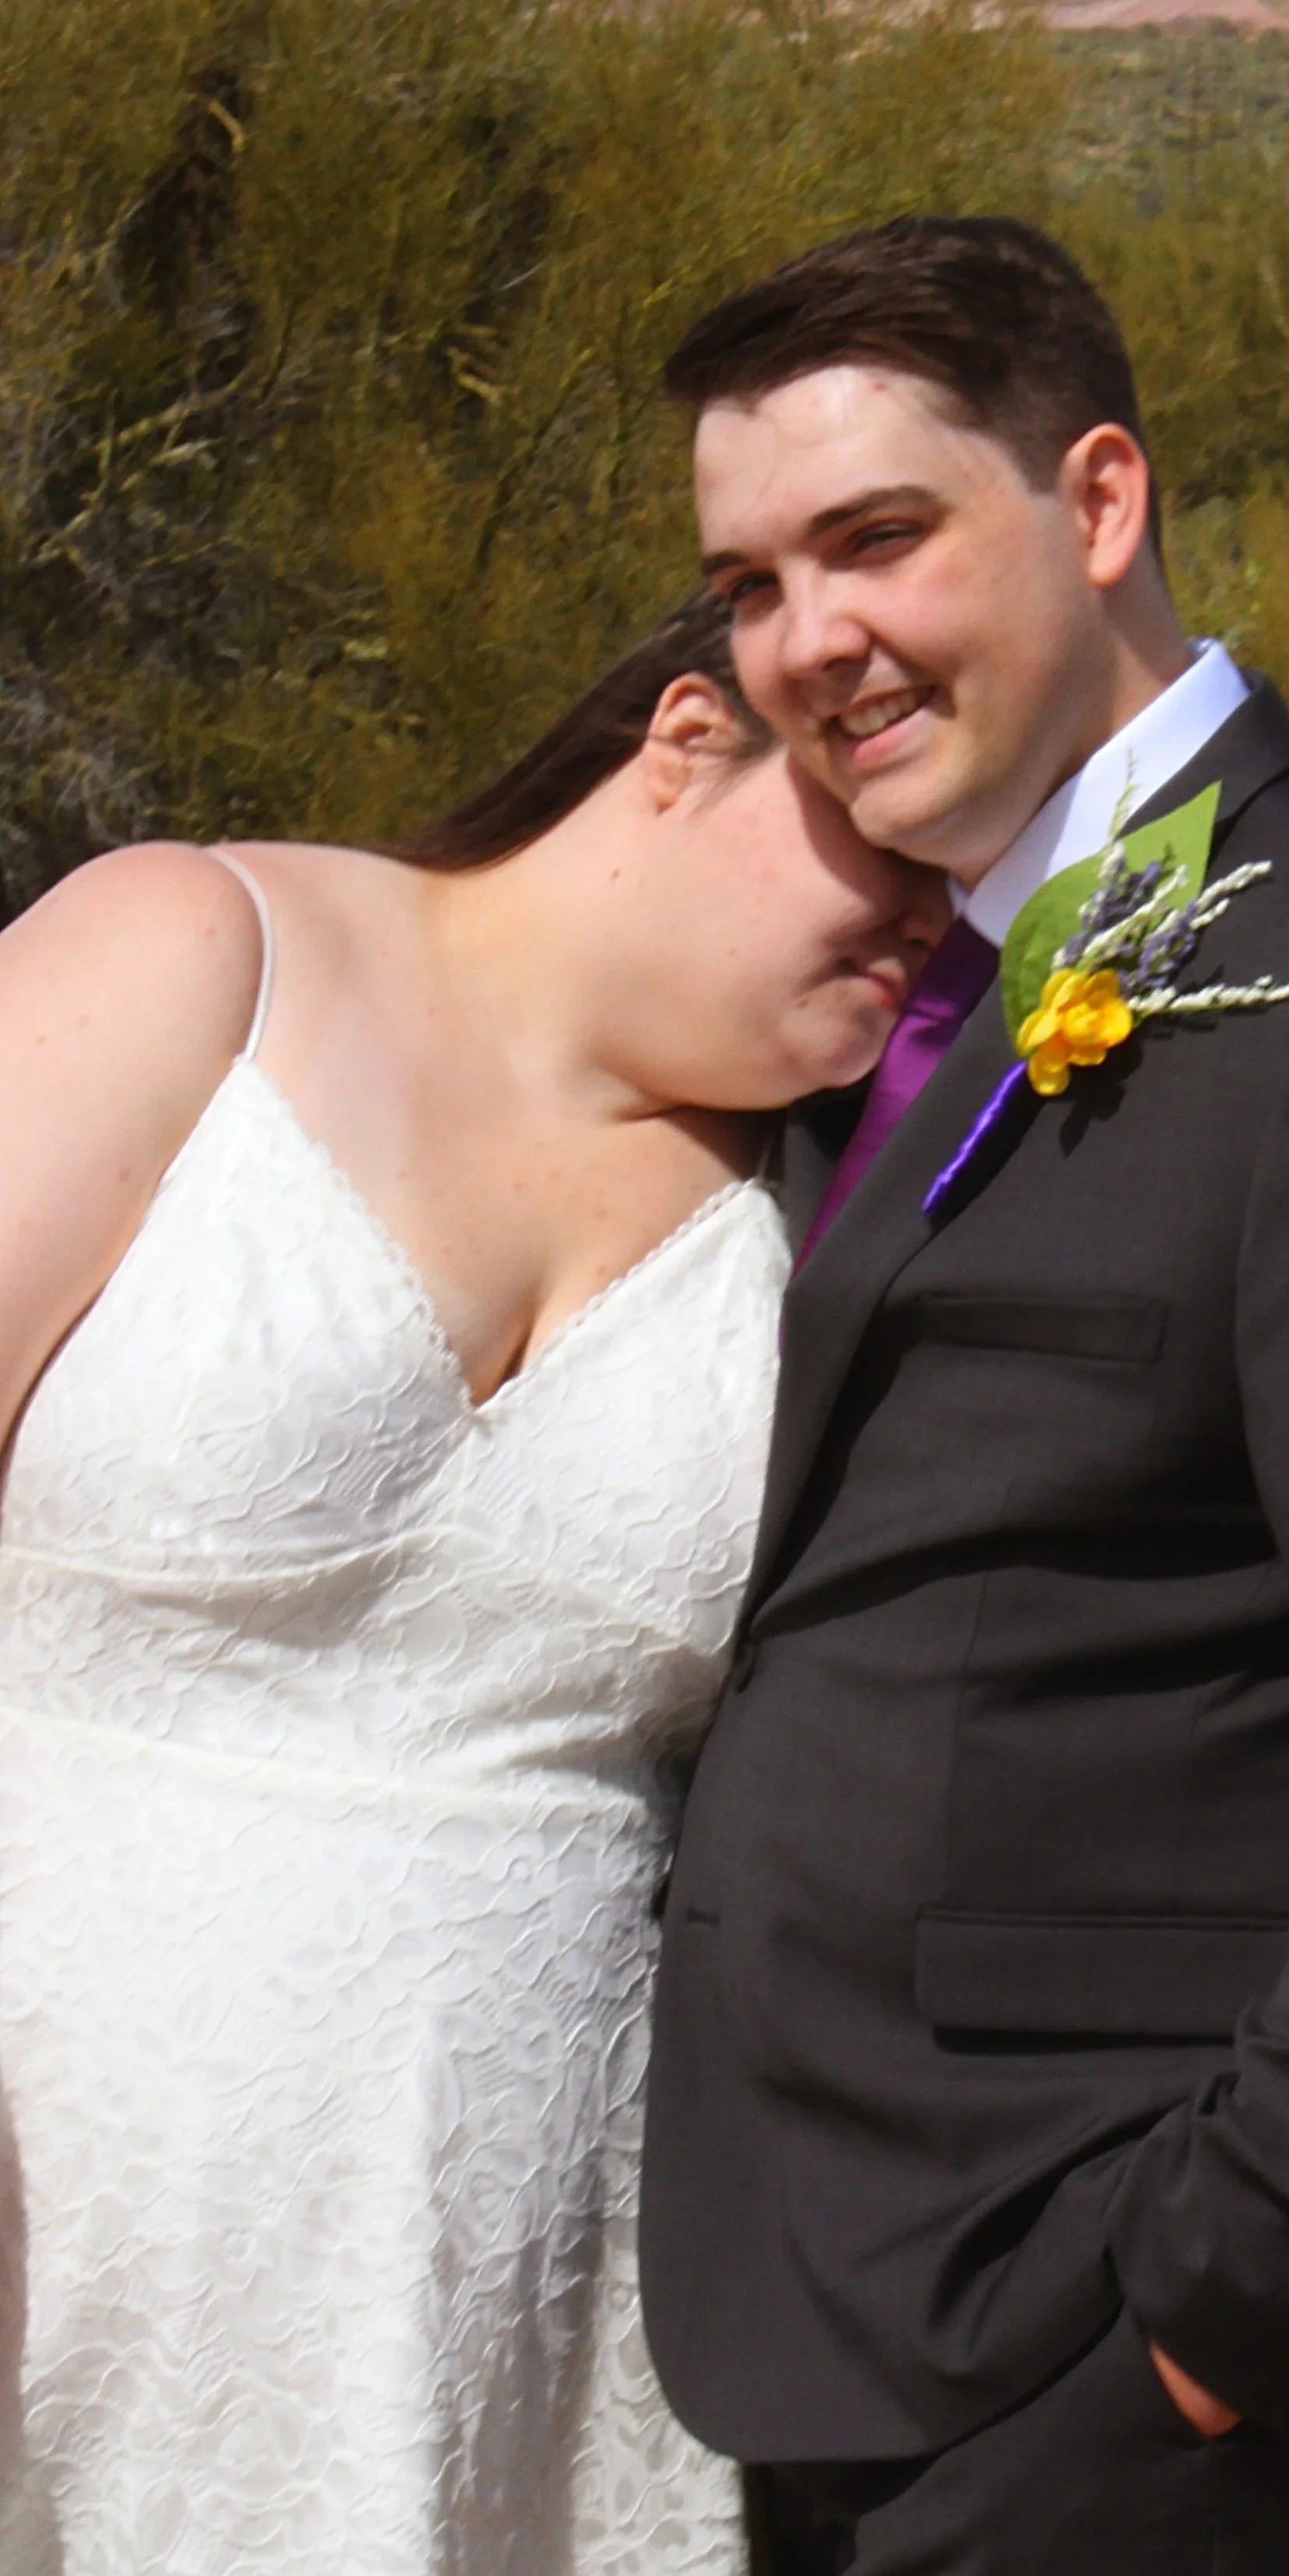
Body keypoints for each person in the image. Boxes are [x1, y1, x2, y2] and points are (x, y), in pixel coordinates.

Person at [639, 217, 1289, 2576]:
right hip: (855, 2305)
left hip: (1143, 2371)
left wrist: (1232, 2307)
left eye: (876, 538)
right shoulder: (938, 980)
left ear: (1095, 503)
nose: (812, 639)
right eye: (750, 581)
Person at [0, 590, 942, 2576]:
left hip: (530, 2324)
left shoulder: (834, 1209)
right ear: (688, 737)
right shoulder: (201, 953)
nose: (929, 920)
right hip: (53, 2198)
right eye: (885, 842)